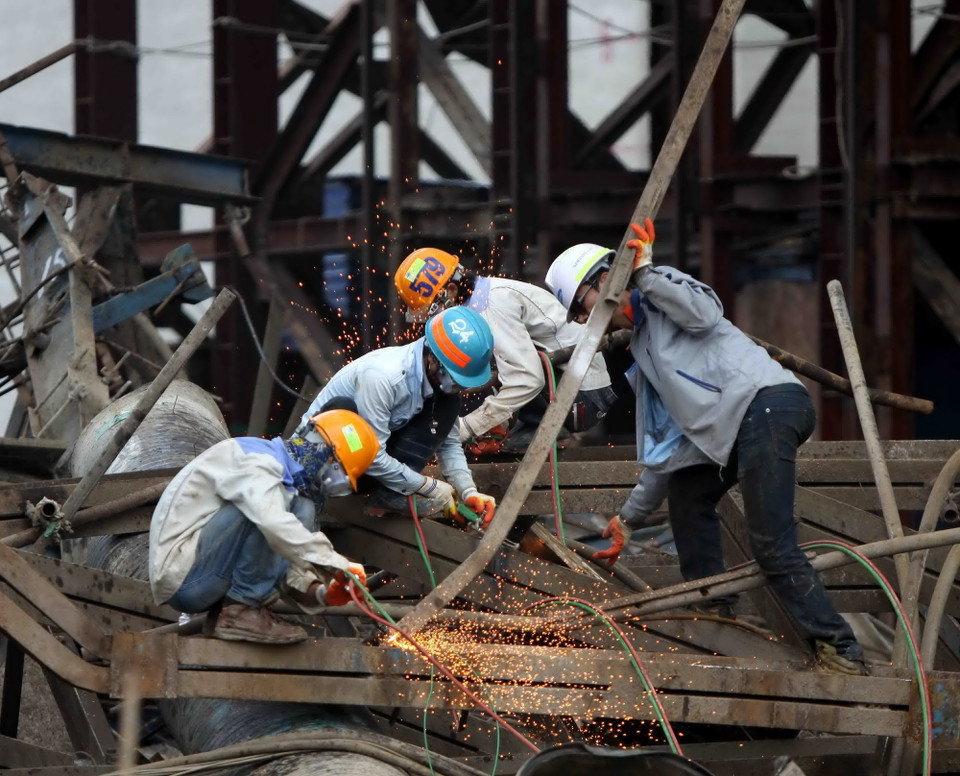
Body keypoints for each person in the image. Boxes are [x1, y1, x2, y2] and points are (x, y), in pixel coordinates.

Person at [545, 219, 867, 675]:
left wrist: (645, 274)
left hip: (768, 406)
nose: (584, 321)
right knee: (688, 492)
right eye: (579, 316)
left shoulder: (666, 290)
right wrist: (629, 520)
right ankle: (714, 612)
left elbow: (704, 314)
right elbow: (668, 450)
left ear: (604, 281)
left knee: (770, 542)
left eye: (582, 307)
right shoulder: (643, 351)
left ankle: (840, 649)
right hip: (740, 426)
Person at [149, 409, 379, 645]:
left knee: (297, 508)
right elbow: (272, 523)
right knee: (268, 510)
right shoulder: (258, 460)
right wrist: (338, 564)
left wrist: (322, 593)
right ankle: (240, 612)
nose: (327, 488)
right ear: (327, 456)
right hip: (184, 579)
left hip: (205, 573)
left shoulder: (289, 490)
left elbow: (280, 559)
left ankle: (236, 611)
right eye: (335, 480)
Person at [394, 248, 617, 452]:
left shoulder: (492, 305)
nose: (439, 319)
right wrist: (498, 422)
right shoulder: (483, 299)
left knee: (491, 357)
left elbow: (527, 378)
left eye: (437, 309)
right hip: (574, 389)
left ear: (451, 290)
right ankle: (528, 425)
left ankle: (547, 429)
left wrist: (470, 426)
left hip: (582, 398)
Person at [300, 305, 498, 525]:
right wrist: (428, 486)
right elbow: (372, 456)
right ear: (433, 358)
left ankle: (388, 497)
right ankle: (325, 500)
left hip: (367, 468)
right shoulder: (383, 377)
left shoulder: (440, 386)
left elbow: (449, 444)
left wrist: (468, 491)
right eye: (455, 380)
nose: (458, 388)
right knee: (346, 414)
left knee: (447, 406)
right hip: (328, 461)